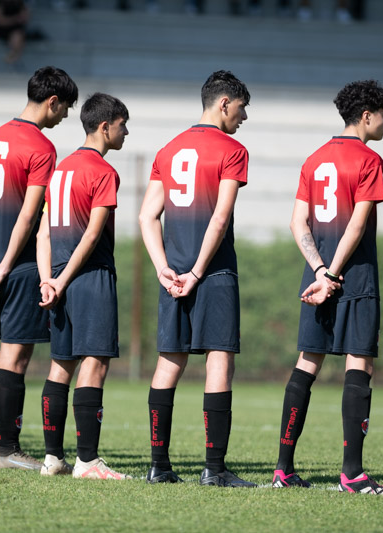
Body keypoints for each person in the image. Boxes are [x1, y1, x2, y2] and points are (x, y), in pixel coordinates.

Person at [271, 80, 383, 495]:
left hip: (316, 278)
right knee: (359, 365)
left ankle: (283, 470)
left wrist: (320, 271)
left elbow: (297, 222)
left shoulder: (314, 159)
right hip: (354, 278)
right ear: (366, 116)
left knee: (307, 363)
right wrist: (335, 274)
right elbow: (356, 226)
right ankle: (352, 474)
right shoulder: (369, 159)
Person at [139, 70, 254, 487]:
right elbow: (220, 218)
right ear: (224, 103)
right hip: (213, 272)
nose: (243, 117)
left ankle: (158, 466)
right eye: (241, 108)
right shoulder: (233, 150)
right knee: (219, 361)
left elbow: (147, 216)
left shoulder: (168, 150)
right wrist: (198, 272)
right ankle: (214, 469)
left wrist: (162, 268)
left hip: (172, 277)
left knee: (169, 362)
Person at [0, 66, 78, 469]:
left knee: (4, 353)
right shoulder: (41, 147)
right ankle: (7, 450)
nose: (65, 115)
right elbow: (29, 216)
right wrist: (8, 265)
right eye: (65, 107)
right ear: (52, 102)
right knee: (17, 356)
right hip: (21, 265)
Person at [36, 92, 131, 480]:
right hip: (90, 277)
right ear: (105, 127)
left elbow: (43, 233)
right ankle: (87, 462)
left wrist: (48, 279)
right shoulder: (103, 172)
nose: (126, 133)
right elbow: (92, 234)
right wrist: (61, 279)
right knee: (94, 362)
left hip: (58, 279)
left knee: (61, 365)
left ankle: (52, 459)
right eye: (123, 125)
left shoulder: (60, 170)